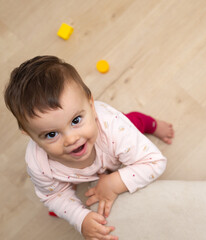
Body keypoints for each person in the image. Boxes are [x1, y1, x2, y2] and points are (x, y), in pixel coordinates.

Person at [4, 56, 174, 240]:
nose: (71, 139)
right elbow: (52, 196)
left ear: (91, 106)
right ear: (30, 135)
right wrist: (76, 215)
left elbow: (155, 162)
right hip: (80, 173)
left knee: (134, 122)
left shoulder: (114, 128)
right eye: (51, 134)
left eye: (76, 120)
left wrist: (114, 183)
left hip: (114, 142)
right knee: (60, 198)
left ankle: (151, 123)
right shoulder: (39, 164)